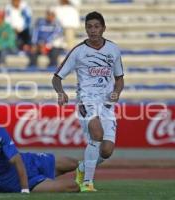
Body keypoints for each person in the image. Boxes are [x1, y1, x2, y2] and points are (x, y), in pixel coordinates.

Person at [52, 12, 124, 192]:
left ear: (103, 28)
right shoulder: (78, 51)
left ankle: (82, 168)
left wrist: (116, 92)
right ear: (85, 29)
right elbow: (56, 78)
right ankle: (87, 183)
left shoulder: (113, 50)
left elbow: (120, 78)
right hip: (86, 100)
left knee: (106, 151)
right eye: (89, 27)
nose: (93, 30)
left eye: (96, 26)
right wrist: (61, 93)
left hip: (107, 104)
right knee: (96, 134)